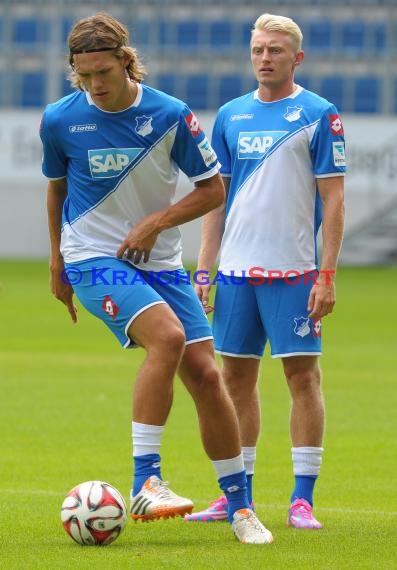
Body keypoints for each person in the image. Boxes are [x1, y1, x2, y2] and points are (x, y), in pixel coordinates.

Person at [39, 12, 274, 545]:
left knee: (207, 375)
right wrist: (57, 262)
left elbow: (214, 190)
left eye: (103, 71)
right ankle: (146, 479)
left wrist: (156, 222)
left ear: (126, 59)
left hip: (161, 260)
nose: (95, 85)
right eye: (84, 75)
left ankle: (240, 508)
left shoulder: (170, 114)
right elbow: (55, 189)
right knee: (166, 339)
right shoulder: (59, 119)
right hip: (93, 255)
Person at [184, 13, 345, 528]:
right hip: (234, 274)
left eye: (275, 50)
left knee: (302, 377)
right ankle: (238, 496)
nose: (265, 58)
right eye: (258, 49)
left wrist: (327, 274)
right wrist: (204, 267)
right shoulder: (230, 115)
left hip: (294, 273)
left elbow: (334, 199)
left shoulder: (320, 114)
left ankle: (302, 499)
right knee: (233, 378)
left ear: (296, 58)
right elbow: (216, 199)